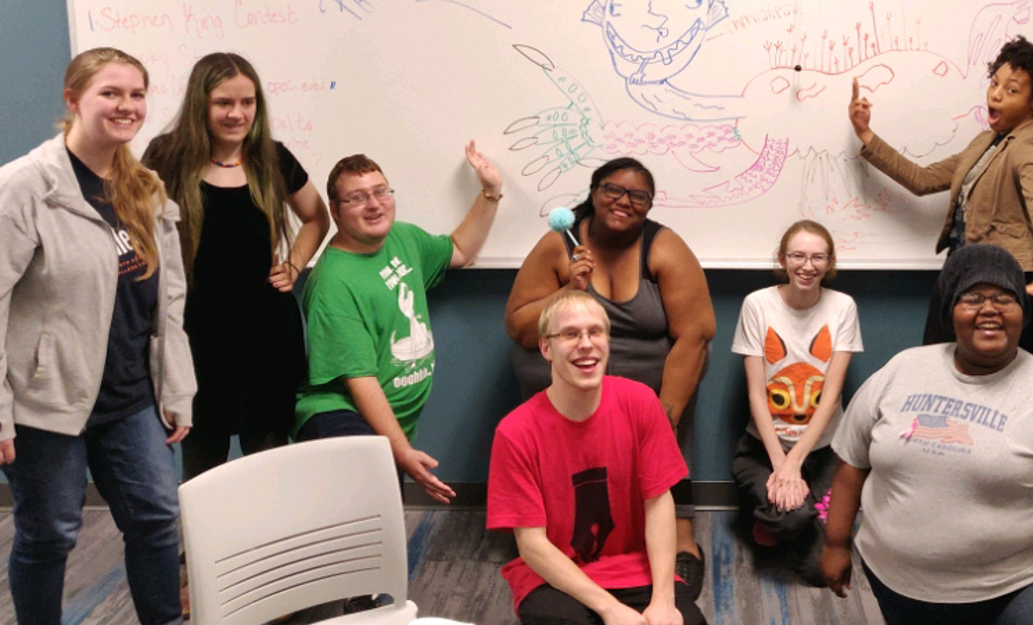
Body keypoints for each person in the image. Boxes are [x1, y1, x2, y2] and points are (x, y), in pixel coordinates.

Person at [821, 244, 1033, 625]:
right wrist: (835, 543)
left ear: (1022, 314)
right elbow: (852, 464)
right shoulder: (902, 370)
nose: (989, 309)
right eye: (973, 297)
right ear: (951, 311)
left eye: (1004, 298)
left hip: (1020, 585)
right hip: (898, 580)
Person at [0, 47, 195, 625]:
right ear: (73, 100)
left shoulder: (146, 187)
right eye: (111, 93)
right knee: (51, 533)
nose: (126, 106)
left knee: (157, 516)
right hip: (47, 399)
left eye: (136, 94)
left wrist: (176, 387)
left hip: (129, 393)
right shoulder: (26, 186)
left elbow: (169, 299)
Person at [505, 157, 715, 593]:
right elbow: (521, 328)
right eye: (612, 190)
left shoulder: (664, 247)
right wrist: (570, 290)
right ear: (593, 192)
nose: (624, 201)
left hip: (646, 376)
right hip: (574, 373)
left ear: (649, 205)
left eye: (638, 196)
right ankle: (552, 535)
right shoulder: (558, 245)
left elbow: (695, 335)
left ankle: (680, 536)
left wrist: (664, 418)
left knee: (686, 373)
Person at [142, 52, 329, 480]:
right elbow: (133, 227)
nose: (237, 113)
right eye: (224, 102)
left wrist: (295, 265)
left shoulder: (273, 157)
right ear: (200, 105)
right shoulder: (165, 157)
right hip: (194, 333)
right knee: (201, 458)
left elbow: (318, 217)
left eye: (248, 103)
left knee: (267, 456)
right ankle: (202, 549)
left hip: (265, 334)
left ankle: (266, 546)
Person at [293, 146, 502, 505]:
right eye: (358, 198)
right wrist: (401, 451)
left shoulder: (403, 239)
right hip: (339, 418)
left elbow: (459, 250)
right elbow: (361, 381)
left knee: (379, 529)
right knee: (362, 526)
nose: (374, 204)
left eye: (381, 192)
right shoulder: (333, 284)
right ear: (336, 211)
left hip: (383, 424)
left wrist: (491, 192)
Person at [488, 290, 706, 625]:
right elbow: (531, 544)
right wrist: (610, 609)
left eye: (595, 332)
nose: (586, 344)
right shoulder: (516, 431)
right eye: (570, 334)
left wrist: (663, 601)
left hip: (632, 567)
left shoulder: (641, 403)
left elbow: (659, 504)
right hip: (555, 576)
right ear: (545, 348)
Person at [848, 36, 1033, 344]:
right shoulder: (987, 142)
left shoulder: (1029, 145)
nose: (996, 95)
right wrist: (865, 132)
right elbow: (922, 179)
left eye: (1011, 90)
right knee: (936, 361)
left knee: (984, 376)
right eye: (995, 83)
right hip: (961, 270)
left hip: (998, 284)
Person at [730, 220, 862, 586]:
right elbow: (757, 393)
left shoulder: (843, 307)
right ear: (783, 259)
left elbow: (832, 394)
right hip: (763, 448)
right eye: (798, 256)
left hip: (825, 449)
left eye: (818, 257)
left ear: (829, 262)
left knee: (823, 571)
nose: (808, 266)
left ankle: (792, 519)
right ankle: (777, 518)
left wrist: (797, 463)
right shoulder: (758, 304)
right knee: (791, 516)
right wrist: (781, 465)